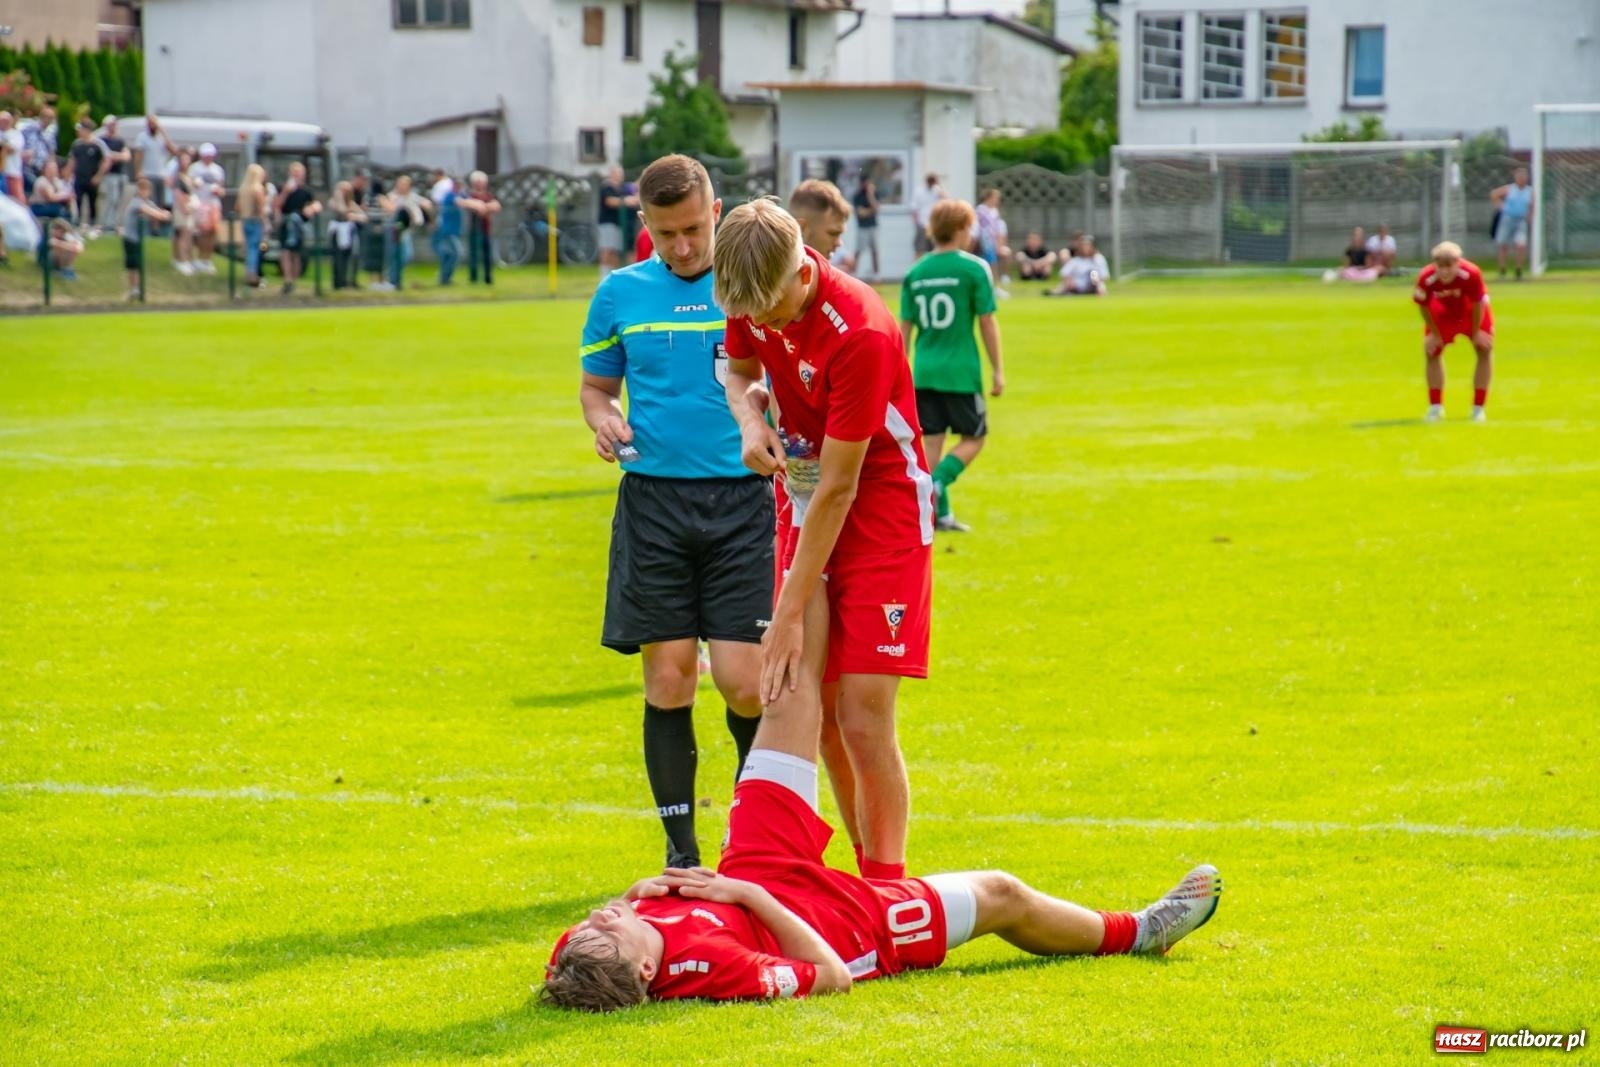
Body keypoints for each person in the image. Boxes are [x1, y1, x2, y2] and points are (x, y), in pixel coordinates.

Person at [540, 647, 1223, 1010]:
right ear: (652, 969)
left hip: (754, 860)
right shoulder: (711, 969)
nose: (602, 914)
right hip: (844, 923)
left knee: (788, 688)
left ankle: (807, 516)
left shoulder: (580, 958)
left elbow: (585, 958)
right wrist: (747, 899)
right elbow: (831, 977)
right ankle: (1139, 931)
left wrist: (646, 896)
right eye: (610, 926)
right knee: (1002, 894)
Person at [717, 197, 934, 881]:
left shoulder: (860, 331)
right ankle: (863, 877)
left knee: (865, 715)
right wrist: (750, 424)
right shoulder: (754, 287)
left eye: (773, 313)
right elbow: (740, 373)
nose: (761, 326)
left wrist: (785, 615)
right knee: (826, 717)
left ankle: (888, 893)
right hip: (808, 492)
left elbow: (842, 487)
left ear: (803, 275)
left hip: (881, 510)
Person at [578, 154, 770, 871]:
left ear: (715, 211)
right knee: (669, 678)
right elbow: (597, 388)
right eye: (667, 235)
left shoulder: (752, 286)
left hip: (744, 503)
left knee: (747, 682)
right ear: (645, 226)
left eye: (693, 229)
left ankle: (758, 844)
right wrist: (603, 420)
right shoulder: (619, 294)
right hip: (654, 504)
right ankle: (682, 854)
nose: (684, 246)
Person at [901, 199, 1004, 535]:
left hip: (925, 371)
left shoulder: (916, 274)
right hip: (960, 372)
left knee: (931, 444)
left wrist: (898, 375)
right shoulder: (974, 269)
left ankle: (938, 517)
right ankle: (941, 483)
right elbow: (987, 322)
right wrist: (998, 369)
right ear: (961, 229)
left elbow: (904, 330)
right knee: (974, 438)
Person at [1414, 241, 1494, 423]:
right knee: (1431, 351)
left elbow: (1477, 304)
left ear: (1458, 263)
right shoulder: (1426, 277)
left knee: (1484, 349)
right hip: (1443, 313)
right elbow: (1423, 306)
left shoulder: (1471, 274)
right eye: (1440, 266)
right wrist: (1433, 333)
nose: (1444, 272)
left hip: (1470, 313)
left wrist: (1475, 333)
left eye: (1449, 266)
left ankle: (1478, 408)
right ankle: (1435, 408)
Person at [121, 176, 172, 300]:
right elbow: (152, 212)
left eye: (146, 190)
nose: (144, 192)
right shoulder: (136, 202)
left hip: (137, 238)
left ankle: (136, 289)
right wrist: (162, 215)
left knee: (137, 265)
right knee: (133, 265)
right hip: (130, 237)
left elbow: (157, 210)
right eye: (142, 190)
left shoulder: (147, 202)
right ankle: (134, 289)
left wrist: (164, 213)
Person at [275, 161, 321, 295]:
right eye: (294, 173)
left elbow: (314, 205)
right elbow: (277, 205)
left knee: (296, 254)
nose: (296, 176)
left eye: (299, 173)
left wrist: (312, 208)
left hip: (299, 224)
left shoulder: (307, 191)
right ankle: (287, 280)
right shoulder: (283, 188)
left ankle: (294, 280)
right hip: (286, 222)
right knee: (285, 252)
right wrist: (285, 192)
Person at [380, 173, 428, 290]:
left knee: (406, 255)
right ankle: (392, 278)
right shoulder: (392, 196)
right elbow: (391, 210)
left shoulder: (412, 196)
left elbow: (425, 203)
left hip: (407, 230)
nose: (403, 187)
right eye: (401, 184)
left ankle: (393, 275)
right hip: (396, 229)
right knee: (397, 254)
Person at [66, 120, 110, 237]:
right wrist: (68, 174)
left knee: (93, 202)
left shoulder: (97, 144)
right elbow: (72, 160)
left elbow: (106, 160)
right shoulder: (77, 144)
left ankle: (94, 225)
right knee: (79, 201)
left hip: (92, 178)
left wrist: (99, 176)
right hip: (79, 178)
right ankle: (79, 224)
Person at [186, 143, 226, 273]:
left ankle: (207, 258)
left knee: (213, 231)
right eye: (206, 155)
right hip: (200, 202)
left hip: (213, 203)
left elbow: (221, 187)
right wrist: (195, 184)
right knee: (202, 231)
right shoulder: (195, 168)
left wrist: (219, 191)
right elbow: (187, 184)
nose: (208, 157)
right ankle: (199, 258)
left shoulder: (218, 170)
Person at [1490, 166, 1534, 281]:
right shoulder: (1510, 189)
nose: (1521, 178)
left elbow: (1532, 205)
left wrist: (1530, 216)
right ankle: (1502, 271)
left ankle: (1518, 271)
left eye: (1523, 176)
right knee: (1503, 244)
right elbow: (1494, 194)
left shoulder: (1529, 191)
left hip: (1520, 220)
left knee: (1521, 245)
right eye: (1519, 176)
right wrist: (1501, 206)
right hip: (1507, 219)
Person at [597, 165, 638, 281]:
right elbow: (610, 201)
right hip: (607, 223)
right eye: (616, 174)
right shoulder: (607, 187)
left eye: (620, 174)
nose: (619, 177)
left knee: (614, 252)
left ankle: (612, 277)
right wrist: (626, 201)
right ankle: (603, 277)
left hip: (617, 224)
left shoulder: (620, 189)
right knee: (607, 249)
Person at [133, 114, 177, 216]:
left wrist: (163, 132)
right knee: (149, 202)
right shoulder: (142, 137)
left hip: (161, 175)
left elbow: (174, 151)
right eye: (150, 123)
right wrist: (138, 171)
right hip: (148, 174)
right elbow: (138, 156)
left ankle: (158, 225)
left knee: (160, 203)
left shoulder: (162, 138)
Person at [326, 180, 366, 290]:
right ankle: (338, 282)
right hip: (337, 232)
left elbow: (363, 217)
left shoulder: (352, 204)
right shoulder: (333, 202)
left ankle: (348, 280)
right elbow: (341, 210)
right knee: (337, 257)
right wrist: (339, 197)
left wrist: (354, 216)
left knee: (348, 257)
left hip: (348, 232)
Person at [236, 164, 270, 289]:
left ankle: (247, 272)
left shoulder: (243, 189)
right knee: (255, 248)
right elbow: (261, 209)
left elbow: (237, 207)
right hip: (255, 220)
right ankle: (252, 275)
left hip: (245, 220)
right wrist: (264, 223)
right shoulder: (258, 189)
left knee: (249, 247)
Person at [463, 170, 500, 285]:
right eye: (478, 182)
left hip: (485, 228)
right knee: (474, 253)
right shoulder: (470, 194)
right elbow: (468, 204)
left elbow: (496, 206)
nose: (480, 184)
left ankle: (488, 277)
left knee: (487, 254)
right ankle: (473, 277)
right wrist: (479, 207)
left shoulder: (487, 195)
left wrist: (485, 207)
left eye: (482, 182)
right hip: (474, 228)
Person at [96, 116, 132, 234]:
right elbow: (106, 157)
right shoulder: (102, 141)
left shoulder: (120, 141)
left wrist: (115, 156)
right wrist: (116, 156)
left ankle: (115, 222)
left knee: (119, 200)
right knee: (112, 198)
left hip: (120, 173)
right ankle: (107, 224)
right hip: (109, 174)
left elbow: (126, 156)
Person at [167, 147, 198, 275]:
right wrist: (184, 207)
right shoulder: (178, 177)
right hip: (181, 208)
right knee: (182, 234)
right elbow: (177, 193)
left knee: (188, 234)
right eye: (183, 159)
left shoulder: (188, 176)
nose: (186, 162)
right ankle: (181, 260)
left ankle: (187, 258)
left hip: (189, 208)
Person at [974, 189, 1011, 294]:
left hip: (992, 242)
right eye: (995, 198)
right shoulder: (981, 210)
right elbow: (983, 228)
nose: (997, 201)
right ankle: (992, 288)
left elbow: (998, 228)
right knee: (990, 265)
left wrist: (999, 243)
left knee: (992, 263)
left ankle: (994, 287)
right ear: (988, 198)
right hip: (984, 242)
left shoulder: (994, 211)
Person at [430, 171, 464, 286]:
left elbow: (468, 199)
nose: (458, 186)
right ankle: (444, 277)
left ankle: (445, 278)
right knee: (456, 253)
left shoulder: (460, 194)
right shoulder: (450, 195)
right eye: (456, 184)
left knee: (449, 254)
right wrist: (479, 205)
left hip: (453, 230)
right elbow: (462, 202)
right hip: (446, 230)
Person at [909, 173, 945, 258]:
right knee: (920, 249)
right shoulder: (919, 191)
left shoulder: (937, 190)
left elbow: (945, 200)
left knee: (935, 250)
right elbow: (914, 208)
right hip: (922, 223)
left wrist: (939, 186)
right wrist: (916, 223)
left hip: (934, 224)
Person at [851, 178, 880, 279]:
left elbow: (876, 207)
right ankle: (854, 271)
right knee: (858, 250)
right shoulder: (857, 196)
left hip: (873, 226)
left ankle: (876, 273)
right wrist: (871, 211)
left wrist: (870, 195)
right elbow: (860, 213)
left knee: (874, 251)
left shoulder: (873, 194)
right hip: (862, 227)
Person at [28, 158, 73, 223]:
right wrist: (65, 196)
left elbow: (67, 192)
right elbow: (51, 197)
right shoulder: (41, 181)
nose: (52, 171)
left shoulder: (56, 181)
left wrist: (67, 196)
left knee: (67, 210)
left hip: (50, 206)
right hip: (38, 207)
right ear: (45, 170)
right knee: (58, 210)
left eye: (54, 169)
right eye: (50, 169)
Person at [0, 111, 24, 204]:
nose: (3, 122)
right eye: (2, 120)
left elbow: (11, 149)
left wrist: (3, 145)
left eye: (6, 120)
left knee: (17, 201)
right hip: (1, 172)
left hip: (12, 172)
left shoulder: (16, 134)